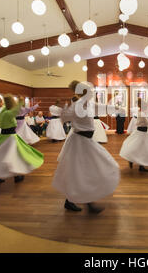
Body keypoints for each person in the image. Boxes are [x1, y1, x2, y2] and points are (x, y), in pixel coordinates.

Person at [52, 80, 120, 214]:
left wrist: (116, 108)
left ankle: (73, 201)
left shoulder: (89, 104)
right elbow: (64, 117)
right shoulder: (76, 106)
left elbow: (103, 107)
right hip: (79, 142)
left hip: (87, 141)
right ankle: (86, 203)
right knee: (82, 171)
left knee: (89, 169)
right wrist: (61, 109)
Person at [120, 98, 148, 172]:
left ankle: (141, 166)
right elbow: (143, 121)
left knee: (143, 150)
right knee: (138, 148)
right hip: (140, 133)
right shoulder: (141, 113)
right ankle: (132, 160)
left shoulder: (143, 112)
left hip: (144, 133)